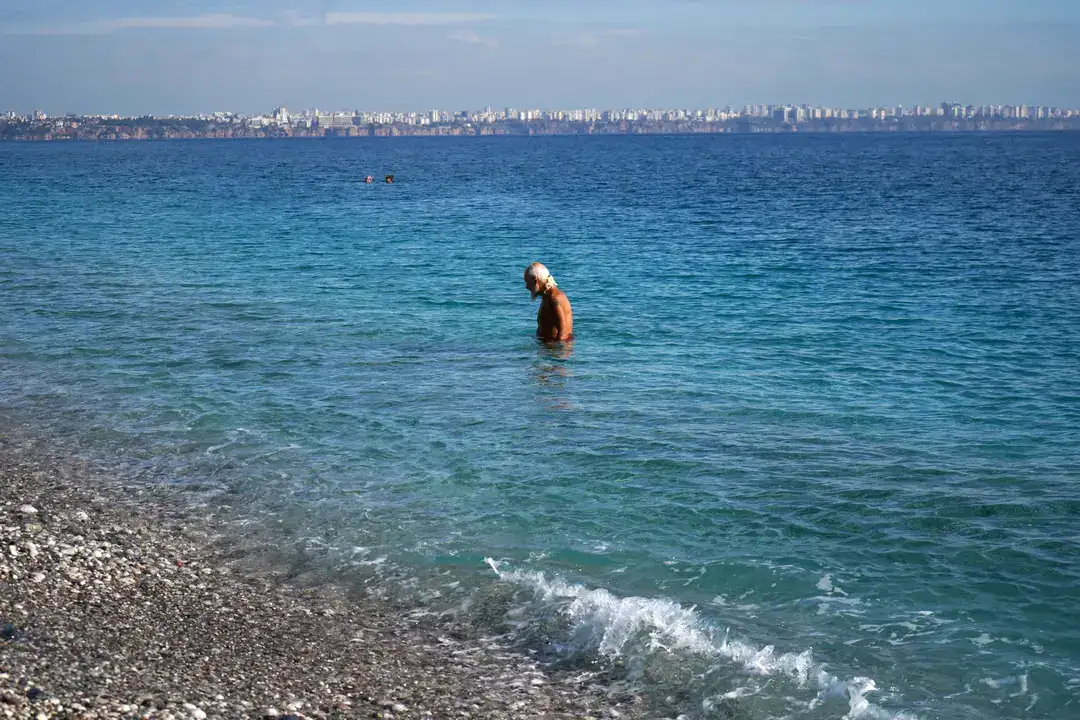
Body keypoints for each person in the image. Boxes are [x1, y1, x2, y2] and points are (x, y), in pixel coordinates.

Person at [523, 262, 573, 342]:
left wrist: (556, 352)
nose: (526, 287)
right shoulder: (546, 296)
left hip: (553, 350)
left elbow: (564, 332)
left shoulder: (555, 298)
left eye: (527, 282)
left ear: (535, 280)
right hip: (546, 348)